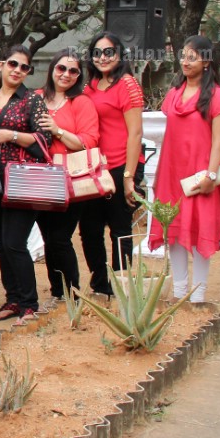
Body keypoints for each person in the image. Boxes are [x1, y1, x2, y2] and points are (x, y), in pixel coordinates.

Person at [147, 36, 220, 305]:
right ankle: (180, 292)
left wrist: (211, 174)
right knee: (175, 231)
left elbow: (219, 140)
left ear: (207, 61)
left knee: (199, 232)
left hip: (199, 173)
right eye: (183, 56)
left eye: (192, 57)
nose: (185, 61)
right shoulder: (173, 94)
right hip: (171, 172)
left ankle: (199, 294)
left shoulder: (217, 96)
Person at [0, 46, 53, 326]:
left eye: (25, 67)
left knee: (14, 242)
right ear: (1, 65)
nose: (18, 70)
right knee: (1, 243)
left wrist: (11, 135)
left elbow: (44, 140)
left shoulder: (33, 101)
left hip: (22, 180)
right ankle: (12, 299)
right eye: (13, 64)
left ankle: (29, 305)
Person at [79, 31, 144, 298]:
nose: (103, 58)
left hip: (120, 165)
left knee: (119, 229)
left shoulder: (127, 84)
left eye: (109, 52)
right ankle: (100, 285)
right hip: (93, 167)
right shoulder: (90, 85)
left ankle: (121, 286)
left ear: (120, 55)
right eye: (97, 53)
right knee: (89, 230)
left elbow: (136, 133)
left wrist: (129, 176)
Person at [34, 49, 99, 308]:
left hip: (70, 179)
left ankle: (71, 292)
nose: (66, 74)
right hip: (39, 178)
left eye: (73, 71)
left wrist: (57, 130)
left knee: (60, 237)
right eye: (61, 68)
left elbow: (88, 142)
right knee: (48, 237)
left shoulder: (81, 102)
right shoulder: (36, 97)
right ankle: (57, 292)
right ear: (52, 69)